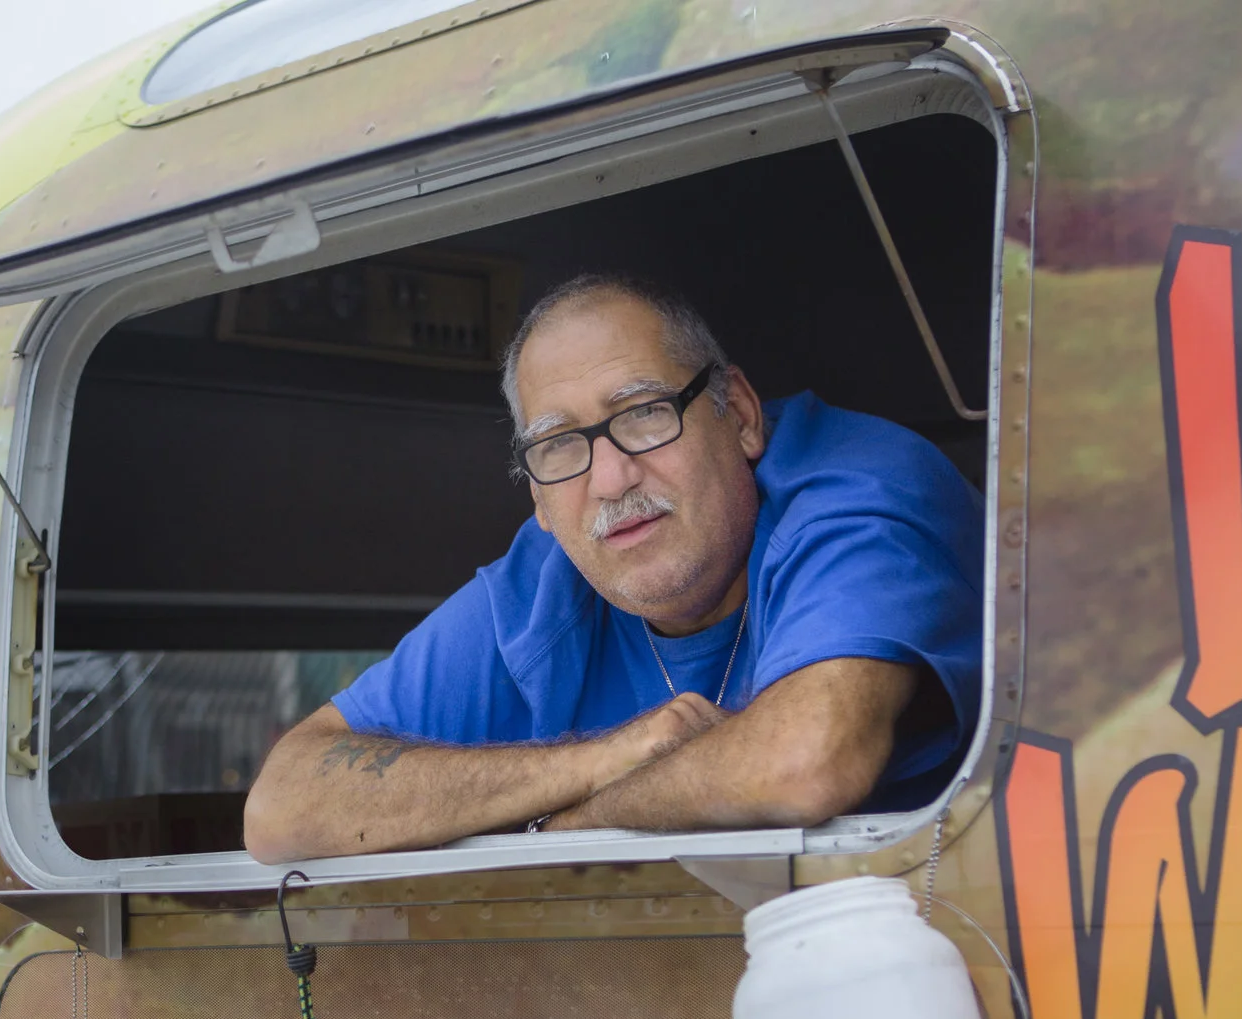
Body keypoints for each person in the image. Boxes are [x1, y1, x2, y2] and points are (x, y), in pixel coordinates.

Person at [243, 274, 981, 863]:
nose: (611, 478)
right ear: (536, 494)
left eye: (644, 412)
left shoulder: (857, 489)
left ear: (743, 415)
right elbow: (281, 806)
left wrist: (573, 828)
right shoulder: (541, 581)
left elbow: (804, 761)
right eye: (559, 444)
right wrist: (605, 759)